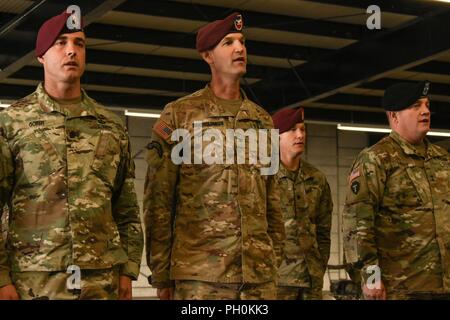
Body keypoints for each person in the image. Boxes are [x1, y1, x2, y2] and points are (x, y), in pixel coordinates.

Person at [0, 10, 143, 300]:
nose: (71, 51)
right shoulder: (12, 122)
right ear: (41, 55)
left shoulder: (110, 126)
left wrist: (128, 269)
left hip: (102, 280)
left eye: (79, 43)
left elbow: (126, 208)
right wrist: (2, 278)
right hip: (35, 281)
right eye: (61, 42)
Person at [144, 12, 285, 300]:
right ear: (208, 56)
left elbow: (272, 198)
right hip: (201, 277)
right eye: (228, 42)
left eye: (242, 42)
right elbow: (159, 200)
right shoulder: (181, 115)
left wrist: (273, 256)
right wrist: (161, 273)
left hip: (258, 279)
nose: (240, 49)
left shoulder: (261, 120)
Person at [342, 80, 450, 300]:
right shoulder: (376, 159)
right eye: (415, 106)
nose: (425, 111)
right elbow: (356, 224)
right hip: (399, 288)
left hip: (444, 286)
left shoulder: (442, 159)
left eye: (427, 105)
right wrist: (371, 278)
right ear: (394, 116)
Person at [271, 107, 332, 300]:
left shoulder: (316, 178)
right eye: (292, 130)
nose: (300, 135)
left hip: (311, 281)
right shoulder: (263, 177)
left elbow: (323, 231)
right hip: (276, 281)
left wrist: (319, 266)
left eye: (302, 129)